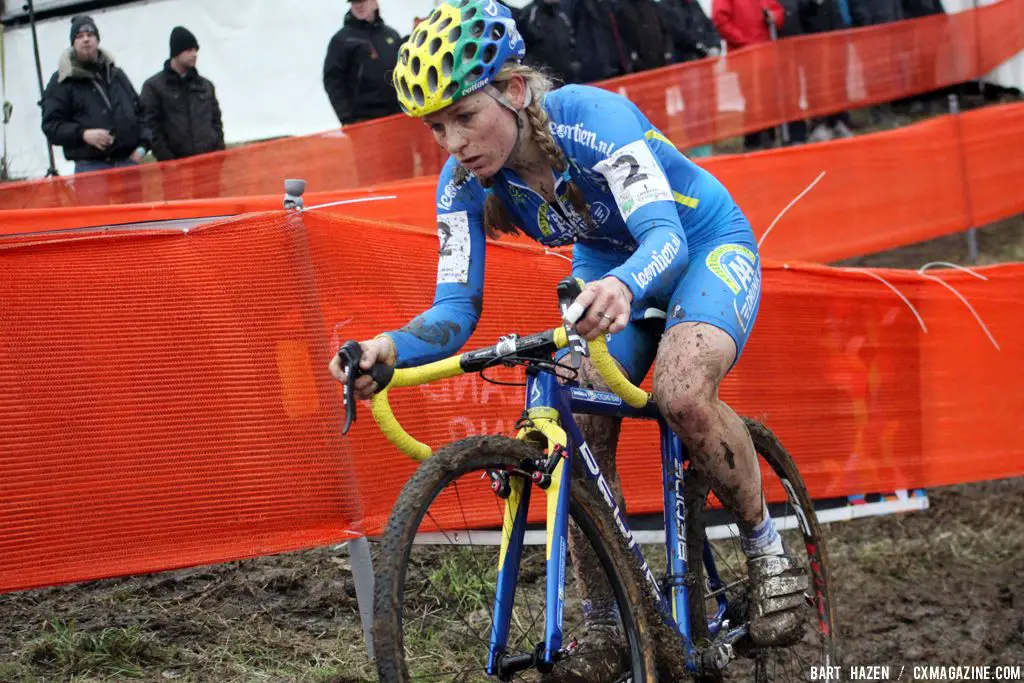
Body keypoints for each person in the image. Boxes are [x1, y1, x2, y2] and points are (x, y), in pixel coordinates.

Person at [329, 0, 808, 678]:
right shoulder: (462, 181)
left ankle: (767, 547)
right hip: (608, 269)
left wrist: (622, 287)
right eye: (436, 127)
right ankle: (607, 621)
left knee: (680, 391)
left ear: (515, 90)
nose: (454, 142)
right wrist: (390, 348)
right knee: (574, 423)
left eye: (465, 116)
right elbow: (453, 310)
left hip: (698, 245)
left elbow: (664, 237)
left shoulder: (592, 119)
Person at [41, 15, 149, 174]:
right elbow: (51, 126)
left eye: (90, 35)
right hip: (91, 170)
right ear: (73, 43)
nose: (86, 39)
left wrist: (143, 147)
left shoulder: (116, 75)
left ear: (97, 40)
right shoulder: (61, 82)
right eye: (79, 36)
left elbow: (142, 113)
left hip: (127, 164)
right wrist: (83, 134)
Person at [140, 27, 225, 162]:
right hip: (175, 168)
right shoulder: (154, 87)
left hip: (209, 164)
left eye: (196, 50)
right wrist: (167, 160)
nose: (194, 54)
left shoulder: (206, 86)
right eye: (189, 50)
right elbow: (150, 126)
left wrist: (218, 152)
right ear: (176, 52)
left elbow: (216, 122)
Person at [712, 0, 786, 150]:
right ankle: (754, 140)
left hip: (765, 53)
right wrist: (744, 41)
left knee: (768, 96)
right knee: (751, 97)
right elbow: (720, 20)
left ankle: (769, 137)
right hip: (745, 55)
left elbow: (777, 10)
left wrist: (774, 17)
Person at [322, 0, 403, 125]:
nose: (358, 5)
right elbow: (332, 80)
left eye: (362, 1)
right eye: (353, 2)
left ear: (374, 2)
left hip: (398, 116)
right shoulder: (342, 39)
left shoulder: (391, 34)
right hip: (364, 121)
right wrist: (347, 118)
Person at [517, 0, 581, 84]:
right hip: (541, 81)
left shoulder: (562, 13)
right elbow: (521, 46)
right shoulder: (529, 14)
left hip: (567, 78)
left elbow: (571, 42)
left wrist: (574, 66)